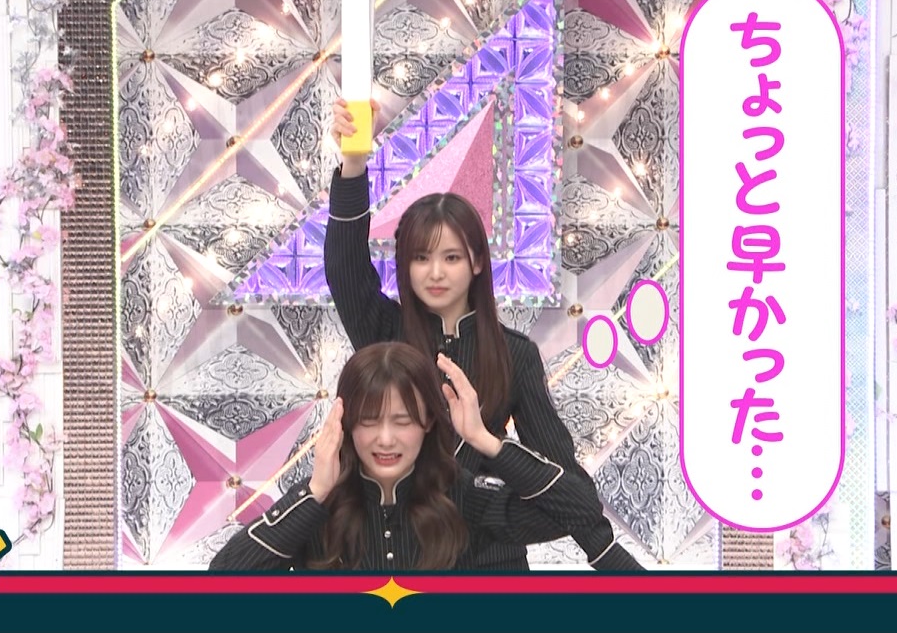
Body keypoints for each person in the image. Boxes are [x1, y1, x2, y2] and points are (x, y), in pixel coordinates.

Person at [320, 97, 644, 571]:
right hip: (398, 556)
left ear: (476, 262)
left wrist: (488, 444)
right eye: (420, 258)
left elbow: (570, 489)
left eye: (451, 257)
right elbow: (344, 268)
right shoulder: (385, 334)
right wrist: (353, 166)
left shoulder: (515, 354)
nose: (435, 273)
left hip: (490, 560)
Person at [209, 342, 608, 570]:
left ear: (429, 421)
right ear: (345, 423)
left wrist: (486, 442)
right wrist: (314, 493)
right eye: (369, 421)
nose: (385, 439)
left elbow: (582, 511)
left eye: (402, 421)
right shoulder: (318, 501)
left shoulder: (463, 494)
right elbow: (222, 581)